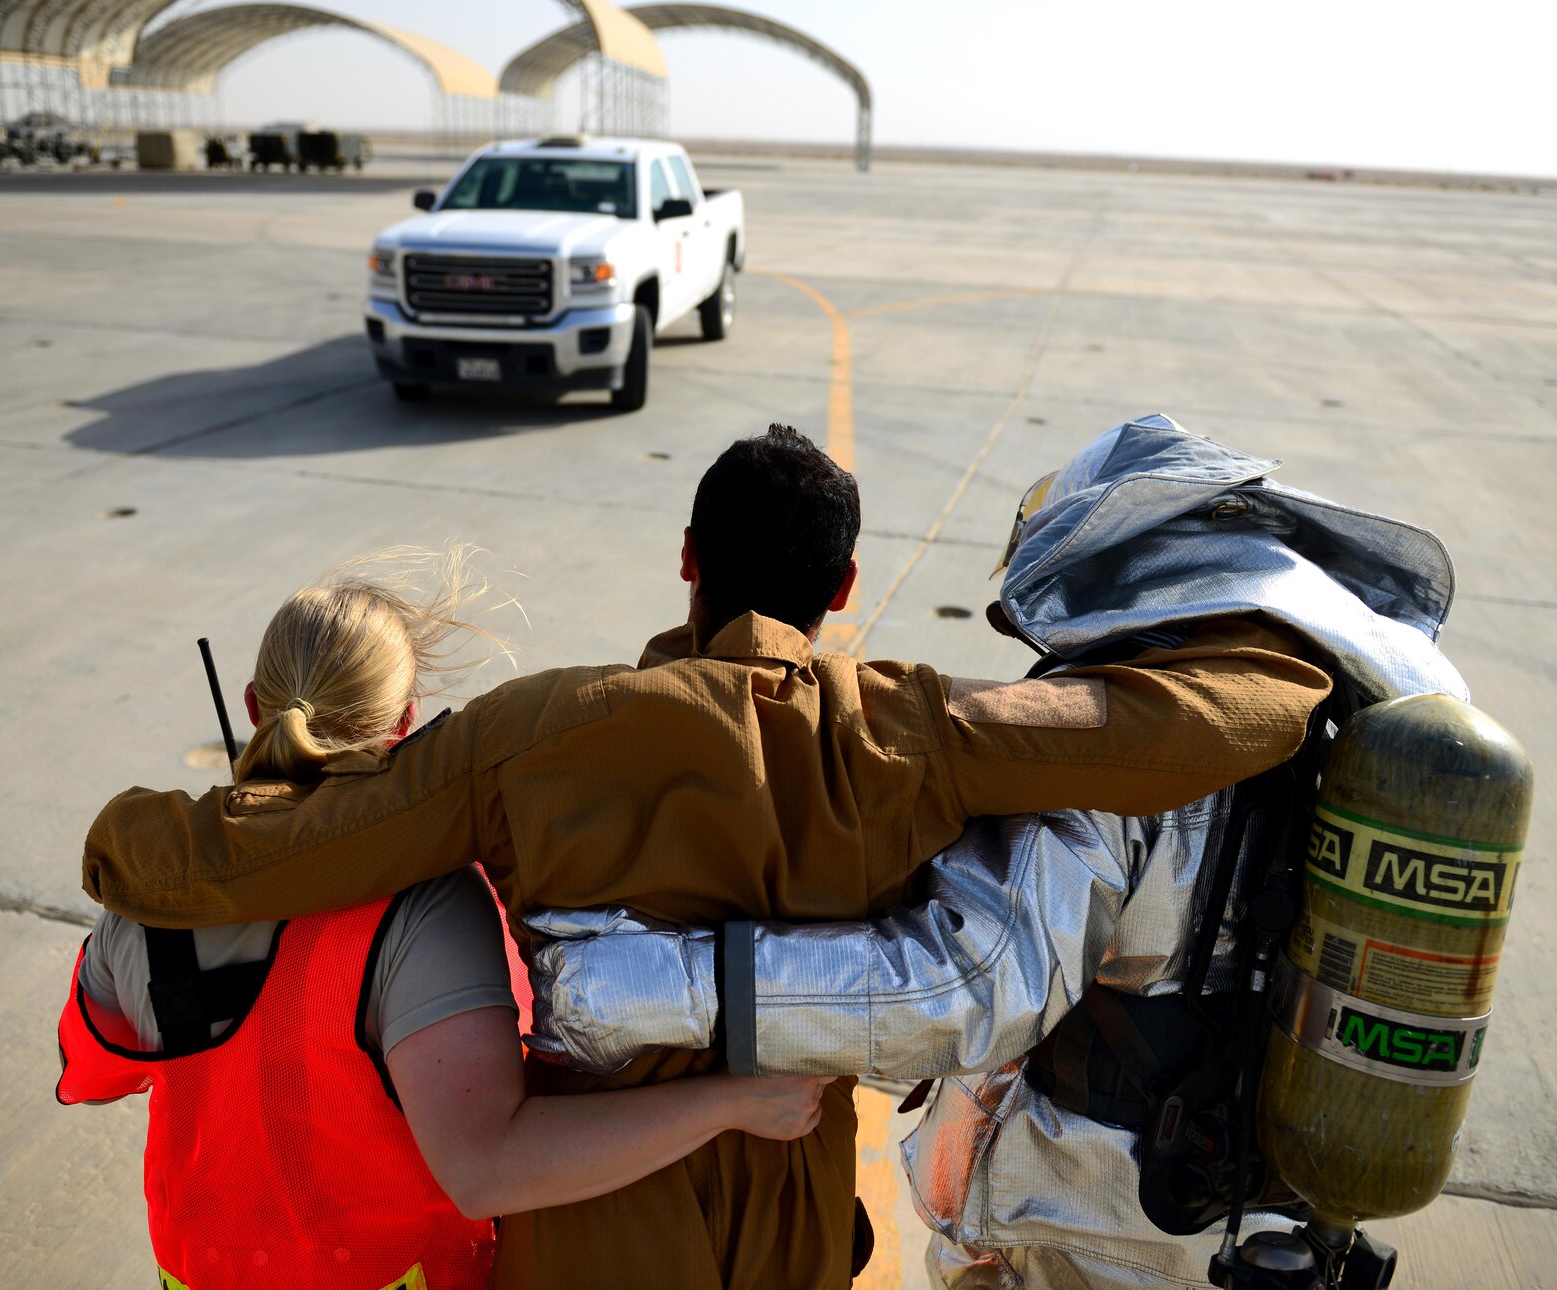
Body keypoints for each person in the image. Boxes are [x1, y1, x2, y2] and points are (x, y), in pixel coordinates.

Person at [79, 424, 1334, 1290]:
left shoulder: (529, 737)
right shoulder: (912, 727)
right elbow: (1201, 721)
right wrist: (1296, 644)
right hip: (790, 1217)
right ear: (842, 583)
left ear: (686, 557)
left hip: (591, 1229)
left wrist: (130, 842)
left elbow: (295, 844)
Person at [520, 416, 1472, 1288]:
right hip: (1266, 1212)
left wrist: (636, 985)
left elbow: (966, 987)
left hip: (1090, 1222)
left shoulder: (1129, 755)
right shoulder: (1336, 726)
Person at [55, 552, 832, 1290]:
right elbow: (485, 1168)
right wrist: (733, 1102)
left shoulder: (154, 889)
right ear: (406, 726)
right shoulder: (422, 905)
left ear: (257, 708)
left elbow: (93, 1072)